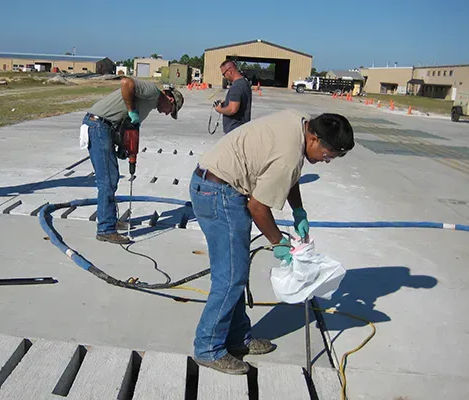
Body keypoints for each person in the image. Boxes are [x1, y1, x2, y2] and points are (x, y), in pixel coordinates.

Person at [189, 110, 354, 374]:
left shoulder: (297, 122)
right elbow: (258, 208)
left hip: (218, 186)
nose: (327, 162)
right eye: (327, 155)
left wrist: (298, 211)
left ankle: (237, 337)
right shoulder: (290, 156)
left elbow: (290, 176)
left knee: (236, 274)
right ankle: (208, 348)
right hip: (218, 193)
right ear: (313, 139)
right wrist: (279, 243)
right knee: (230, 277)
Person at [81, 78, 184, 244]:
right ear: (171, 100)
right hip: (98, 125)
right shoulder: (152, 91)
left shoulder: (148, 105)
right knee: (107, 179)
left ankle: (110, 220)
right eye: (170, 110)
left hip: (105, 128)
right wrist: (131, 110)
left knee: (110, 178)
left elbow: (128, 127)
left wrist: (123, 145)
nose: (166, 113)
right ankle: (106, 229)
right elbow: (126, 83)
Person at [214, 60, 252, 134]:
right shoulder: (245, 83)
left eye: (224, 74)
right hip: (242, 128)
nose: (224, 77)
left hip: (234, 130)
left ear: (230, 71)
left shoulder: (236, 87)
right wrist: (226, 103)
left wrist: (219, 109)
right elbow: (240, 103)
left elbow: (232, 109)